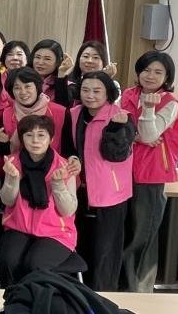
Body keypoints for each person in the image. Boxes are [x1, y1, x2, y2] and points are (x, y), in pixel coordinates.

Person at [63, 71, 136, 291]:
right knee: (81, 243)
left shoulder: (121, 116)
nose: (90, 95)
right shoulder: (74, 113)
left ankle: (104, 294)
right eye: (85, 90)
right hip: (80, 189)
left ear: (108, 93)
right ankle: (79, 293)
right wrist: (72, 158)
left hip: (110, 193)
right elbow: (68, 147)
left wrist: (114, 129)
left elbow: (116, 154)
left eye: (97, 91)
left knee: (106, 250)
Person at [120, 51, 178, 292]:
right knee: (126, 232)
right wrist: (135, 137)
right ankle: (121, 287)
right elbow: (117, 127)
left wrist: (148, 110)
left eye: (158, 72)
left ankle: (139, 290)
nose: (150, 76)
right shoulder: (129, 94)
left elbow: (150, 135)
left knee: (142, 235)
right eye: (146, 70)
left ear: (167, 77)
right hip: (124, 171)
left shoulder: (169, 103)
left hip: (151, 176)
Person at [0, 115, 80, 286]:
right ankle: (12, 298)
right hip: (18, 227)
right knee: (8, 262)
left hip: (56, 232)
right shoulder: (13, 162)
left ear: (51, 139)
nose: (35, 140)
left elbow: (68, 210)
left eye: (41, 135)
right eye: (29, 135)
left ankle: (36, 299)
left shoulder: (64, 166)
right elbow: (7, 201)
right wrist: (12, 179)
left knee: (35, 265)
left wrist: (58, 184)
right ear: (22, 139)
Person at [0, 68, 70, 165]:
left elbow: (68, 148)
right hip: (17, 169)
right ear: (11, 91)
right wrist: (2, 143)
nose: (23, 92)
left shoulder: (60, 112)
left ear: (37, 87)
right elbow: (4, 153)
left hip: (53, 169)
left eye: (28, 86)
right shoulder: (6, 114)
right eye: (17, 88)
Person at [68, 41, 119, 106]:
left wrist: (105, 80)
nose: (90, 61)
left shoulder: (114, 84)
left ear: (103, 62)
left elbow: (110, 103)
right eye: (86, 56)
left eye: (95, 57)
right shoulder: (68, 82)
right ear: (79, 59)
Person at [29, 39, 73, 106]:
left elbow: (62, 107)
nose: (40, 62)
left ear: (58, 61)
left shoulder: (68, 86)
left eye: (47, 59)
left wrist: (61, 73)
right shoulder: (23, 78)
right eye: (37, 57)